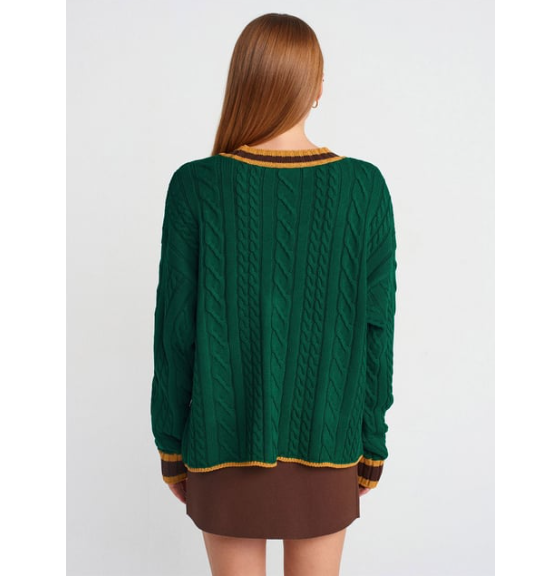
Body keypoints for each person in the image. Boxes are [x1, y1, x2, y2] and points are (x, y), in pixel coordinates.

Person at [150, 12, 398, 576]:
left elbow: (175, 333)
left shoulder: (196, 186)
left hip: (221, 443)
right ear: (316, 87)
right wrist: (372, 442)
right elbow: (376, 331)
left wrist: (172, 446)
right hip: (329, 442)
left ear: (243, 81)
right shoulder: (364, 188)